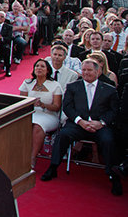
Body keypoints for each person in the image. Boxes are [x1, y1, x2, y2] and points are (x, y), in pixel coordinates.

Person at [41, 59, 121, 196]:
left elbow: (113, 111)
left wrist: (101, 123)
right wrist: (80, 121)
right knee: (63, 135)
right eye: (83, 70)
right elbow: (67, 107)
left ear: (97, 71)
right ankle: (53, 167)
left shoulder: (109, 89)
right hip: (77, 124)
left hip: (99, 126)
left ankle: (113, 175)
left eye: (89, 70)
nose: (86, 73)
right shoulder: (73, 87)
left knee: (108, 141)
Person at [18, 59, 62, 169]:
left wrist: (43, 105)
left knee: (37, 126)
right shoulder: (27, 83)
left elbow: (57, 107)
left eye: (42, 66)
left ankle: (32, 157)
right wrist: (30, 103)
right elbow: (20, 103)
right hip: (30, 113)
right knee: (20, 124)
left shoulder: (55, 85)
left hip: (49, 115)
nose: (39, 68)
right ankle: (19, 155)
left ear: (48, 70)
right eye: (37, 66)